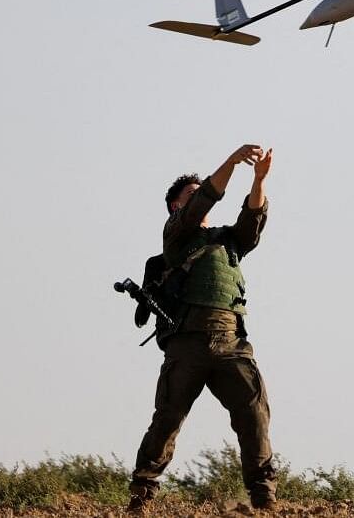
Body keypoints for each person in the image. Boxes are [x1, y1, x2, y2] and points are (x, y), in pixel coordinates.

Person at [129, 144, 277, 512]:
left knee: (254, 415)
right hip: (188, 343)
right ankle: (142, 494)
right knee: (167, 420)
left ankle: (263, 499)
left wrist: (258, 180)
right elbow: (204, 201)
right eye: (191, 194)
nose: (201, 198)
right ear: (177, 207)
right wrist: (230, 163)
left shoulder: (228, 240)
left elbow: (252, 221)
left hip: (231, 341)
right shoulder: (175, 235)